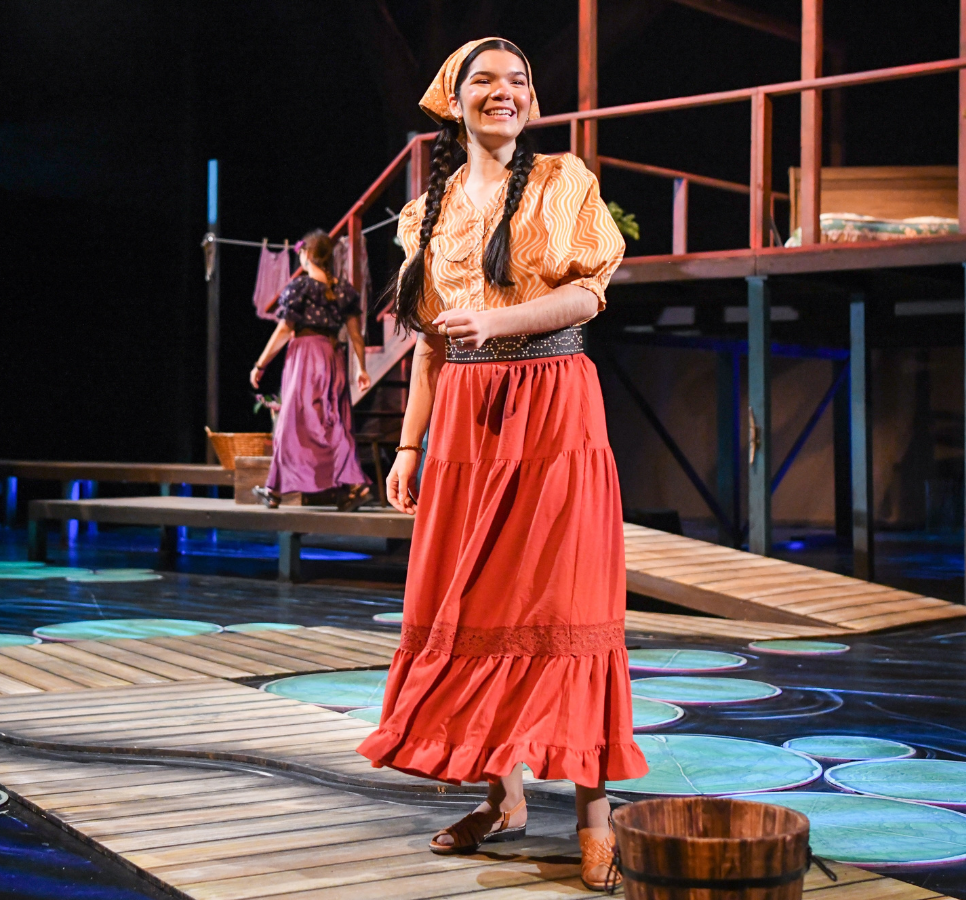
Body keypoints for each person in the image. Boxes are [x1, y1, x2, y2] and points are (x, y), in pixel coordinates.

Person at [354, 38, 646, 892]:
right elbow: (429, 347)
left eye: (517, 81)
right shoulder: (428, 212)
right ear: (453, 98)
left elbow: (590, 294)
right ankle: (502, 796)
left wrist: (503, 326)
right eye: (485, 80)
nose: (504, 93)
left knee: (566, 597)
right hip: (465, 423)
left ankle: (595, 815)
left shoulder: (565, 180)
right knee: (473, 594)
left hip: (553, 404)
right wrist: (408, 445)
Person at [248, 230, 372, 511]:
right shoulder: (343, 289)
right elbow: (356, 335)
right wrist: (361, 368)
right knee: (334, 421)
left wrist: (260, 364)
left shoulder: (300, 287)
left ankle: (274, 490)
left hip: (305, 357)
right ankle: (351, 487)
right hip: (333, 356)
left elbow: (283, 330)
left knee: (293, 421)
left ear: (305, 255)